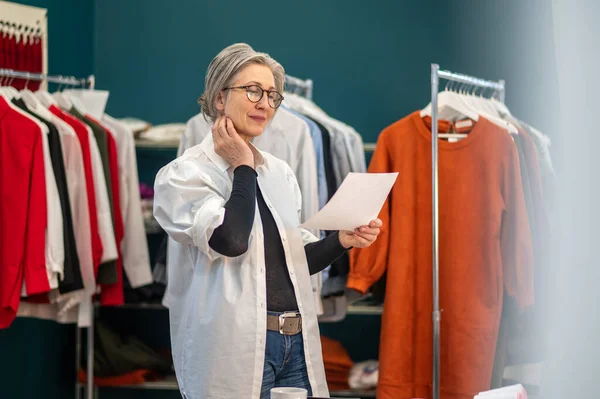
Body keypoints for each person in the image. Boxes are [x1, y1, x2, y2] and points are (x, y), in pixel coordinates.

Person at [153, 43, 383, 399]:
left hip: (294, 344)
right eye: (253, 91)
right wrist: (243, 166)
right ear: (218, 98)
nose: (265, 103)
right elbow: (231, 240)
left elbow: (295, 261)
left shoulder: (279, 172)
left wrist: (342, 240)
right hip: (234, 345)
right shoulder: (182, 176)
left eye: (273, 95)